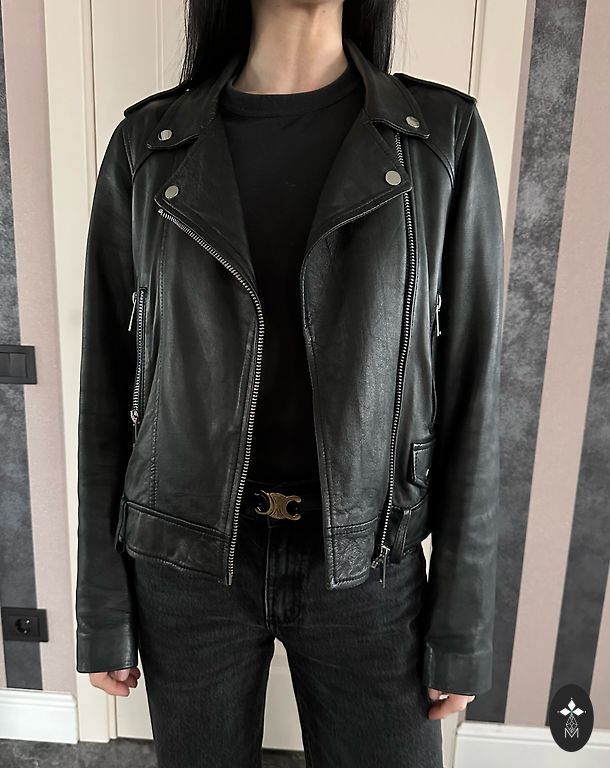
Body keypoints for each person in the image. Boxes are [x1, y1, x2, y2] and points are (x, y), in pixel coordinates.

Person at [75, 0, 504, 766]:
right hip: (184, 561)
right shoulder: (148, 146)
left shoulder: (439, 139)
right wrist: (103, 609)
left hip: (368, 569)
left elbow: (474, 391)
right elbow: (107, 391)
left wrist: (462, 628)